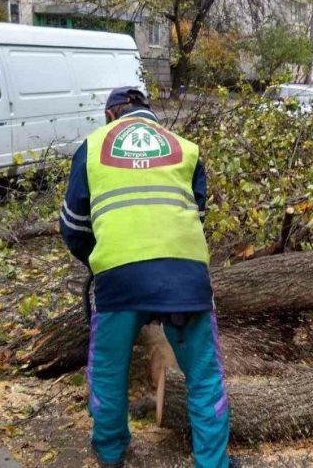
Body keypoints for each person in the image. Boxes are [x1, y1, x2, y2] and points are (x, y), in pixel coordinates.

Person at [59, 87, 230, 468]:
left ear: (110, 116)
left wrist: (100, 262)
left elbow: (73, 227)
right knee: (204, 375)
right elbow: (195, 216)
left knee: (108, 371)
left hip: (119, 280)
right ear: (149, 113)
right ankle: (213, 463)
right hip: (185, 279)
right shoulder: (185, 147)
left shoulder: (92, 147)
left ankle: (111, 451)